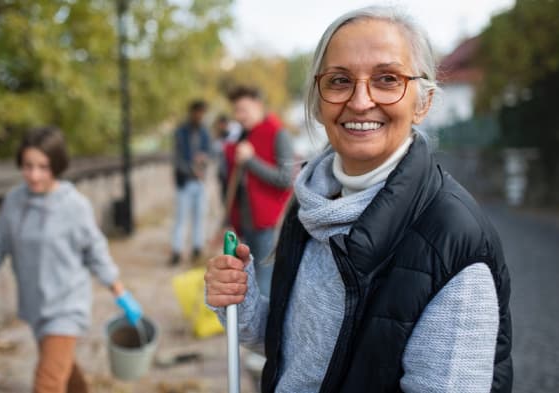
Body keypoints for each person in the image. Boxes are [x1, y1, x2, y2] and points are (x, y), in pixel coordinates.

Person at [206, 6, 512, 393]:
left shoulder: (452, 241)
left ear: (423, 102)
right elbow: (300, 351)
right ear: (318, 101)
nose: (360, 100)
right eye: (339, 81)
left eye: (387, 79)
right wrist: (241, 303)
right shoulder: (310, 204)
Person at [0, 127, 142, 393]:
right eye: (28, 166)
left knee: (47, 384)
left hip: (67, 307)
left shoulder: (74, 206)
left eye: (43, 167)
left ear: (57, 166)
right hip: (36, 307)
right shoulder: (14, 202)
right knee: (62, 368)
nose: (34, 175)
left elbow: (96, 252)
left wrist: (121, 293)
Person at [223, 86, 294, 298]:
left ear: (258, 105)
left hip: (268, 224)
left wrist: (250, 160)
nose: (239, 116)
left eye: (243, 109)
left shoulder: (278, 133)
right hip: (245, 221)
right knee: (248, 277)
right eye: (236, 110)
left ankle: (265, 330)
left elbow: (285, 179)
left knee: (264, 282)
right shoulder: (244, 135)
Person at [171, 100, 211, 265]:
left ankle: (197, 247)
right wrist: (191, 170)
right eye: (198, 112)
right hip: (185, 182)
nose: (200, 116)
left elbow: (209, 154)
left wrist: (203, 163)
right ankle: (177, 250)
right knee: (181, 218)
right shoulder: (181, 132)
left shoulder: (204, 133)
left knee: (199, 217)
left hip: (199, 182)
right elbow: (177, 159)